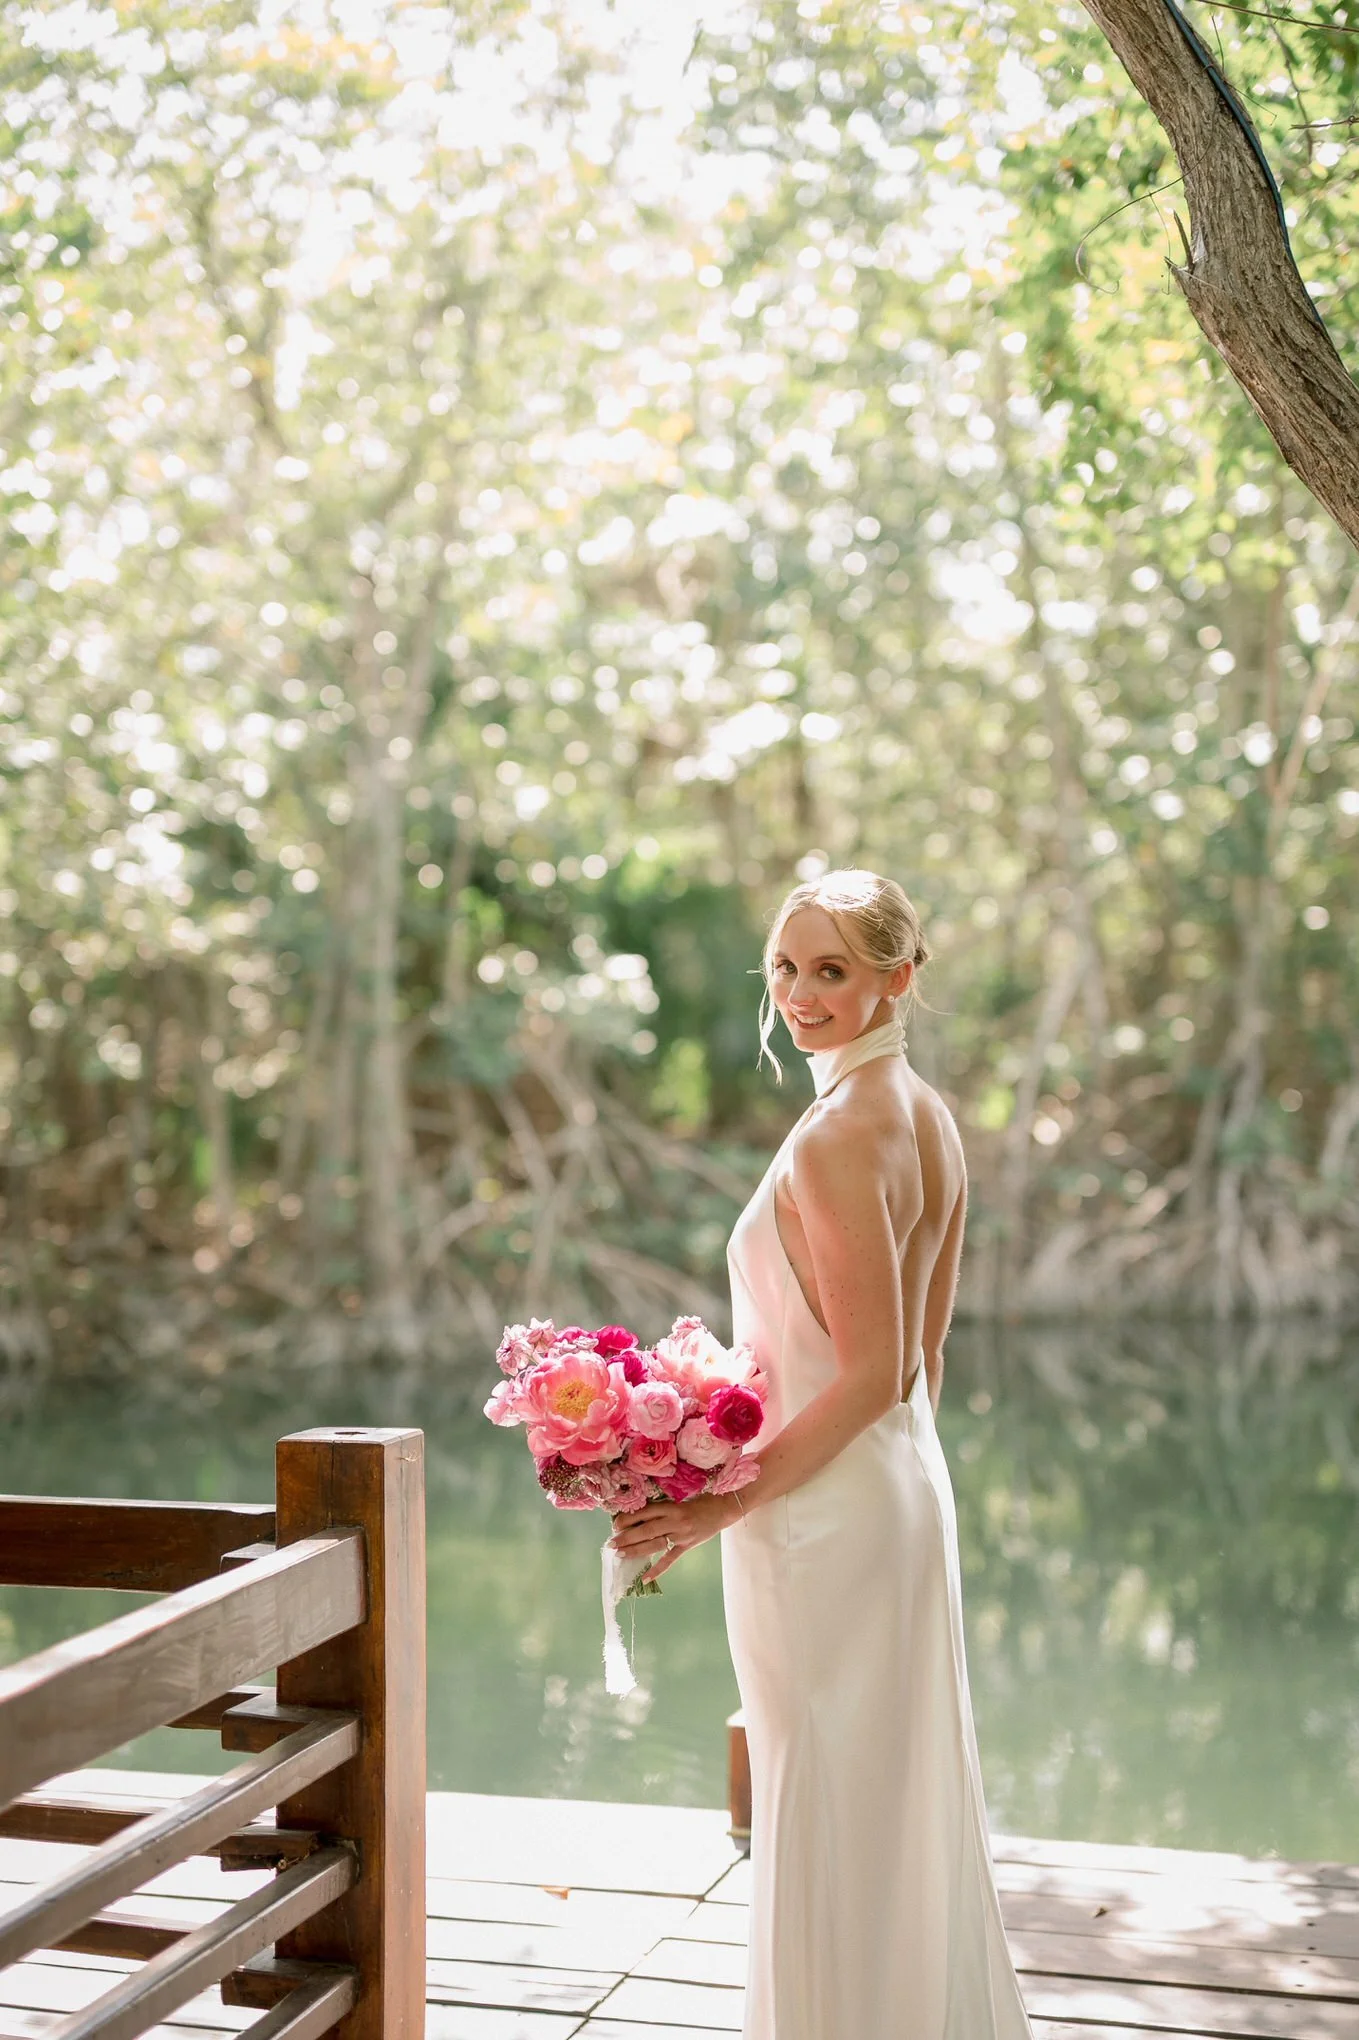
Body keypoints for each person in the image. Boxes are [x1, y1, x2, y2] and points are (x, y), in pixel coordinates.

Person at [611, 867, 1033, 2040]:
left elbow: (872, 1370)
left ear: (900, 977)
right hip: (894, 1490)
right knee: (882, 1794)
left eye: (833, 970)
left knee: (827, 1794)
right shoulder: (925, 1115)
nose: (800, 994)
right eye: (787, 968)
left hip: (823, 1514)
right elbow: (921, 1365)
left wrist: (709, 1507)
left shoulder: (841, 1135)